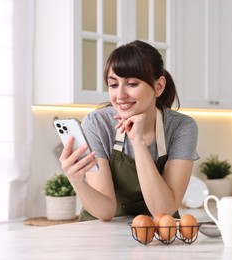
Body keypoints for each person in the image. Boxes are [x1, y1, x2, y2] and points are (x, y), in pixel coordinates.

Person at [59, 40, 199, 221]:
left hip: (158, 234)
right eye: (113, 85)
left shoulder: (181, 127)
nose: (120, 95)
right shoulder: (97, 124)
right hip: (103, 234)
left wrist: (138, 142)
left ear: (158, 86)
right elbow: (105, 211)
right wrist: (76, 180)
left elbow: (163, 211)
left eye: (132, 84)